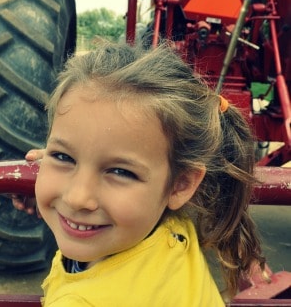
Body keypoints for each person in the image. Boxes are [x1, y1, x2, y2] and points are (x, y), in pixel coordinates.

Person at [13, 41, 265, 306]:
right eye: (63, 156)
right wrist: (54, 180)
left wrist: (66, 164)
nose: (76, 197)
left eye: (121, 172)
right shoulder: (173, 227)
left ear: (181, 185)